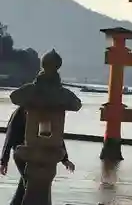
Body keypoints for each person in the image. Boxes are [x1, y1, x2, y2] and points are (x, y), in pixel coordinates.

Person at [0, 49, 76, 205]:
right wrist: (4, 159)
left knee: (27, 184)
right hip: (23, 150)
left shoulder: (32, 98)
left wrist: (65, 159)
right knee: (29, 182)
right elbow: (12, 132)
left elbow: (53, 133)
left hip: (42, 150)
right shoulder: (25, 107)